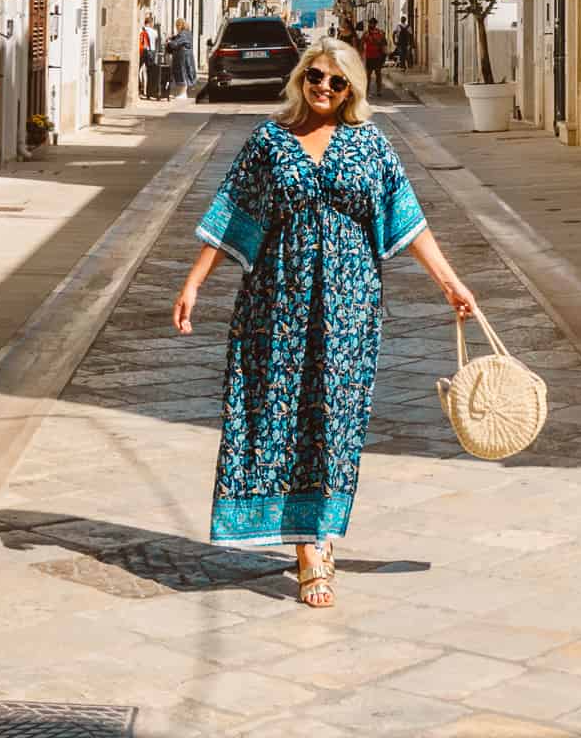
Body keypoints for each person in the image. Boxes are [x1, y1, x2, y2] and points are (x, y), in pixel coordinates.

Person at [172, 39, 475, 609]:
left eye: (338, 83)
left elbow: (408, 220)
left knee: (334, 420)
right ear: (301, 76)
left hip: (349, 308)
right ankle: (306, 549)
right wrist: (193, 284)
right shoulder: (269, 141)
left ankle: (319, 537)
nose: (324, 90)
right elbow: (233, 211)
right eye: (316, 77)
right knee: (273, 413)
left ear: (353, 89)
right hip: (273, 304)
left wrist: (450, 283)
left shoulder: (370, 145)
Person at [167, 18, 195, 100]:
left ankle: (183, 94)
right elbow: (177, 38)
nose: (176, 28)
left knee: (183, 74)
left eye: (177, 26)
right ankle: (182, 93)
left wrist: (169, 42)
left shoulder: (183, 34)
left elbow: (176, 43)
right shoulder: (187, 33)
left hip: (183, 57)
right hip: (185, 56)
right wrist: (172, 38)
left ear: (180, 25)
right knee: (184, 73)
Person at [362, 19, 388, 99]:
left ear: (375, 24)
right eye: (370, 23)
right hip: (369, 56)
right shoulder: (366, 34)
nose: (371, 25)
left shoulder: (380, 33)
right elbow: (361, 44)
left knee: (377, 74)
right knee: (369, 75)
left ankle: (378, 90)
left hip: (377, 57)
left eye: (372, 23)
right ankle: (367, 90)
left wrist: (384, 56)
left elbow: (384, 44)